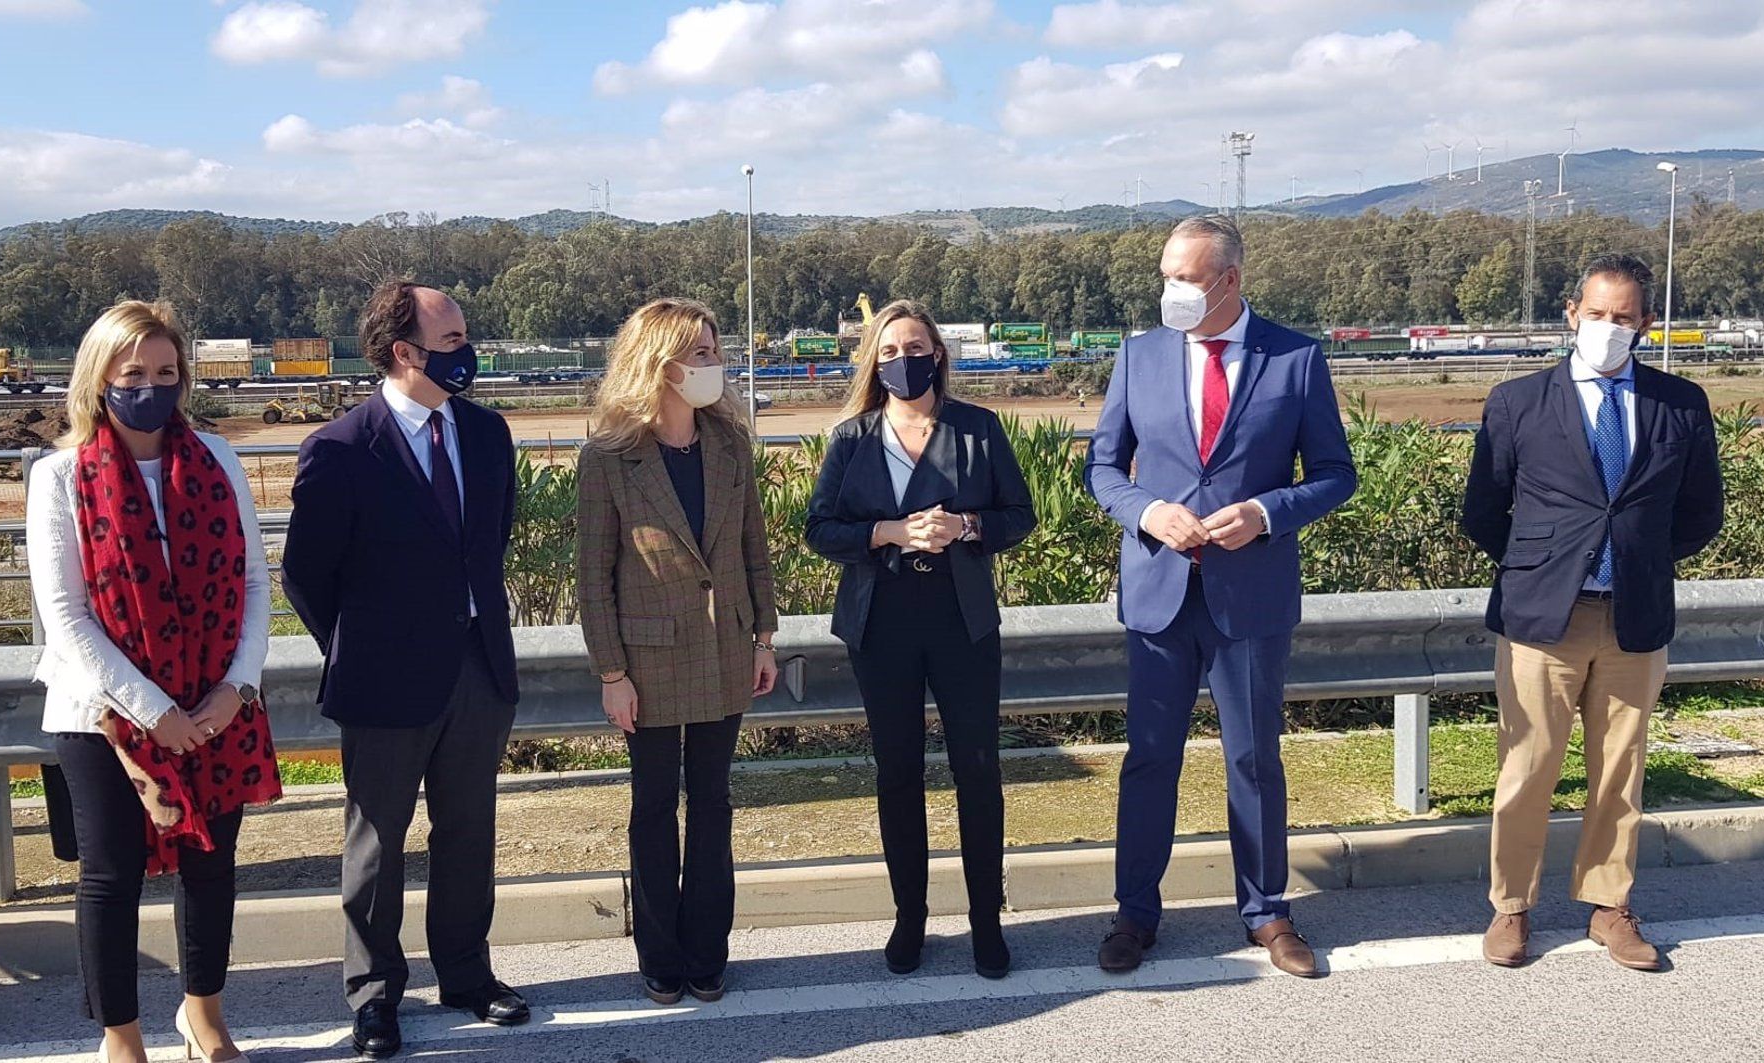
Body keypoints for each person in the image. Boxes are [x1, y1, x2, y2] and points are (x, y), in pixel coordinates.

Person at [1084, 215, 1355, 978]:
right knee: (1149, 759)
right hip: (1160, 592)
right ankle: (1135, 912)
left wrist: (1266, 513)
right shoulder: (1138, 357)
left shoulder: (1295, 358)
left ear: (1231, 280)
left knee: (1253, 757)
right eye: (1165, 275)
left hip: (1251, 594)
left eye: (1187, 279)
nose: (1171, 291)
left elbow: (1336, 473)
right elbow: (1102, 468)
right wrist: (1146, 510)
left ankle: (1267, 911)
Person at [27, 300, 279, 1063]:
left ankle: (203, 1015)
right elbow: (67, 618)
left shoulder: (218, 458)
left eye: (166, 371)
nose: (151, 386)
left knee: (211, 869)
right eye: (133, 372)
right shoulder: (59, 475)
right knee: (112, 874)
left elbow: (256, 583)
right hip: (100, 716)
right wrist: (154, 710)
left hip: (214, 705)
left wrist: (235, 687)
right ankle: (121, 1036)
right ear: (99, 378)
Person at [282, 281, 525, 1060]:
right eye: (451, 340)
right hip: (383, 679)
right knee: (378, 845)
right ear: (403, 352)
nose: (467, 351)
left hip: (477, 670)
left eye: (464, 335)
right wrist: (359, 644)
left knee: (468, 832)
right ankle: (376, 994)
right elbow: (306, 574)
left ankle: (466, 973)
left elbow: (490, 544)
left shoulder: (488, 435)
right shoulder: (343, 447)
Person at [1462, 253, 1724, 972]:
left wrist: (1638, 553)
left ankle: (1610, 906)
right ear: (1571, 314)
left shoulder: (1680, 402)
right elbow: (1485, 511)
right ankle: (1512, 907)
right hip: (1543, 617)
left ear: (1646, 322)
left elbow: (1702, 512)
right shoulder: (1518, 401)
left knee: (1621, 770)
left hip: (1635, 614)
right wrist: (1544, 564)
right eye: (1596, 314)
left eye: (1624, 317)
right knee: (1528, 767)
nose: (1608, 328)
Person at [805, 299, 1035, 979]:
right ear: (873, 362)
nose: (903, 360)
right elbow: (821, 528)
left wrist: (966, 526)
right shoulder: (852, 437)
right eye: (889, 351)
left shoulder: (978, 429)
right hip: (881, 625)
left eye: (915, 348)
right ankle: (910, 916)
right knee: (897, 773)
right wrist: (887, 531)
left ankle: (985, 920)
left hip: (962, 622)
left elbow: (1019, 514)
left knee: (978, 770)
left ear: (938, 353)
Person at [575, 297, 780, 1006]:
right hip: (650, 662)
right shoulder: (609, 456)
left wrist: (765, 635)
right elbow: (593, 579)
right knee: (655, 806)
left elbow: (754, 548)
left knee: (715, 803)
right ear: (659, 364)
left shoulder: (730, 447)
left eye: (715, 350)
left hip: (727, 651)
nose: (714, 364)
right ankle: (659, 953)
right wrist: (612, 673)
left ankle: (707, 950)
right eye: (701, 353)